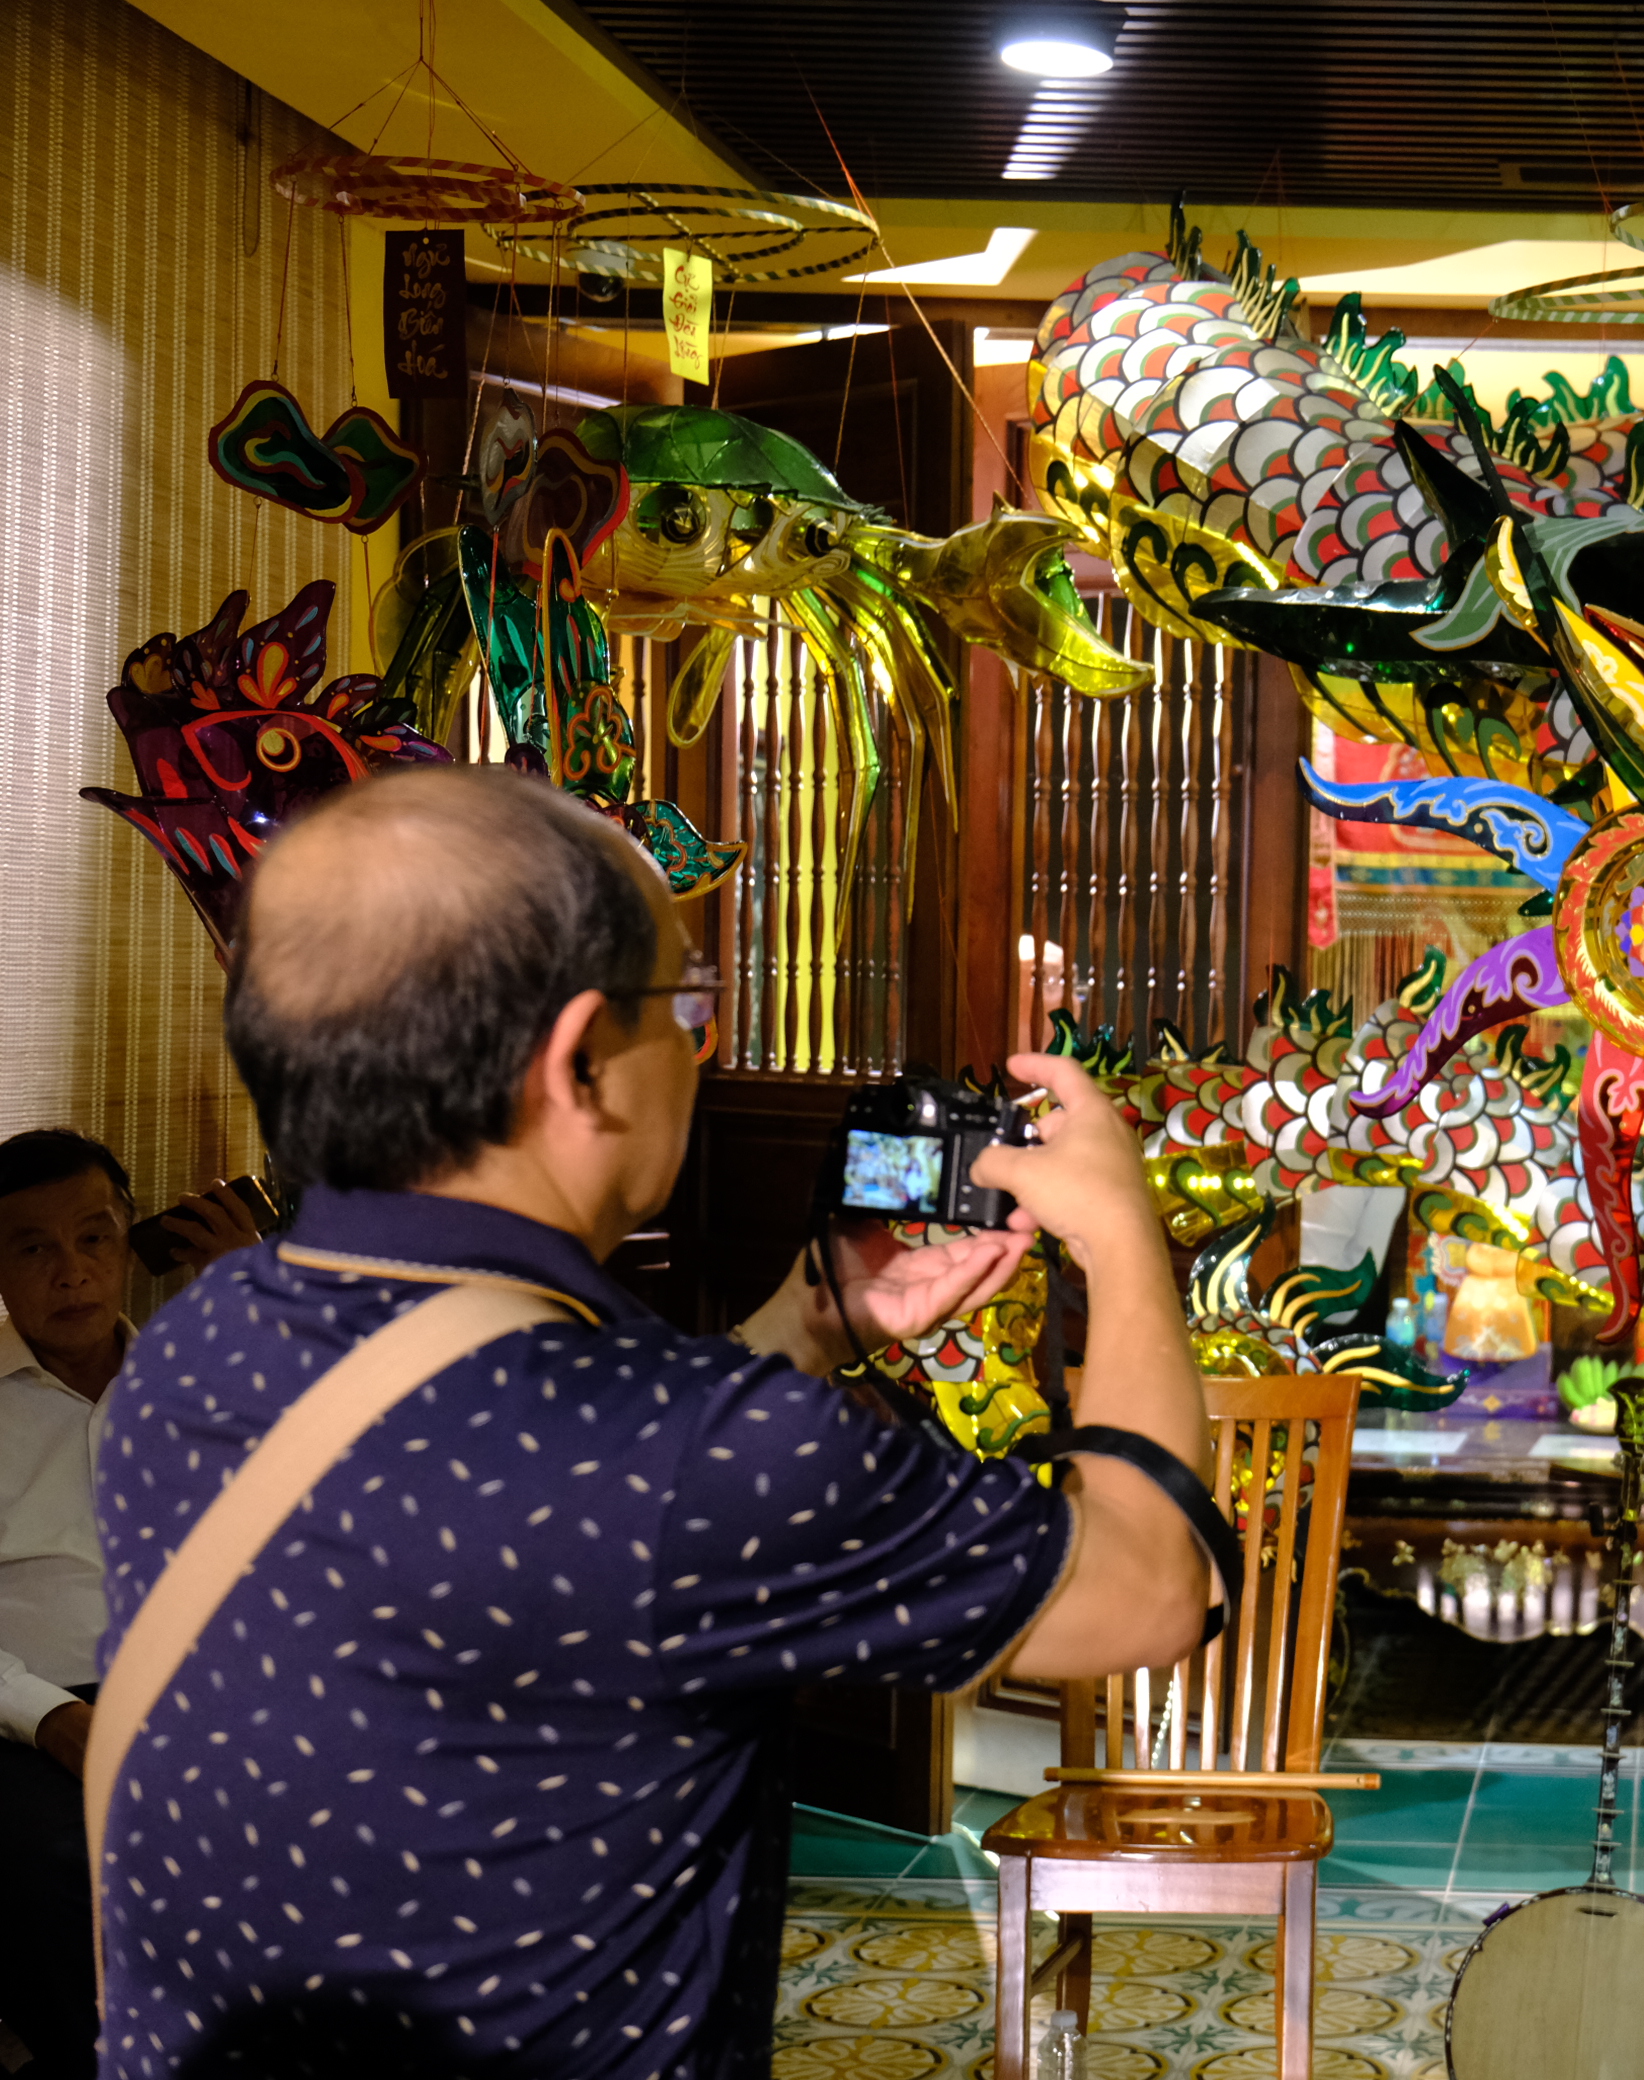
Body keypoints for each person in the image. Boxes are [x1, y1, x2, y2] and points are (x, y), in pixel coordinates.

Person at [94, 764, 1210, 2076]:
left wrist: (811, 1324)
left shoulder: (190, 1352)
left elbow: (547, 1519)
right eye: (685, 1004)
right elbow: (1149, 1588)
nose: (707, 1043)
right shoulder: (686, 1457)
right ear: (578, 1061)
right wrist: (1127, 1238)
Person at [0, 1131, 262, 2080]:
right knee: (51, 1863)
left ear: (129, 1244)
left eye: (95, 1237)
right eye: (33, 1248)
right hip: (32, 1710)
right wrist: (56, 1719)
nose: (71, 1272)